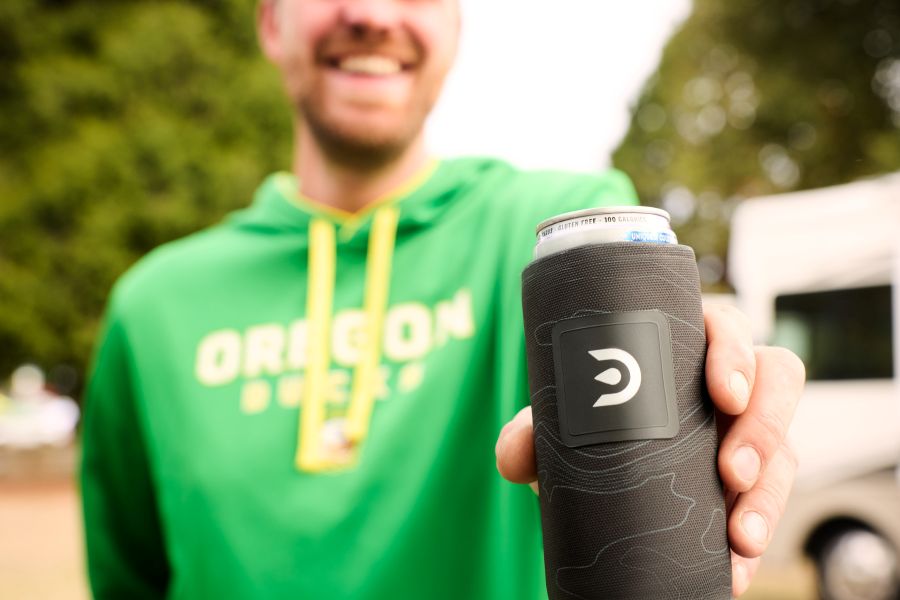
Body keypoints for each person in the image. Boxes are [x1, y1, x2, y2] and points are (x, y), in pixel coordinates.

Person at [80, 0, 805, 598]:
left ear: (455, 24)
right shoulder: (154, 307)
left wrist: (712, 398)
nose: (370, 13)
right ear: (271, 22)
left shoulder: (558, 229)